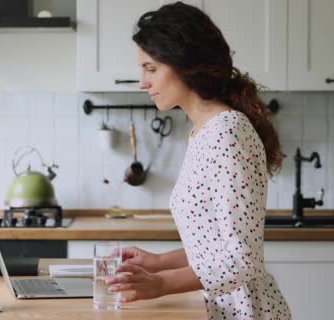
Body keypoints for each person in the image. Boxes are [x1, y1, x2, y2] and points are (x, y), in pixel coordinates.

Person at [106, 2, 292, 319]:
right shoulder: (203, 132)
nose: (142, 82)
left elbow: (242, 260)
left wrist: (160, 283)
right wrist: (158, 263)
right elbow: (214, 246)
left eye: (151, 69)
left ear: (185, 64)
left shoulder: (228, 133)